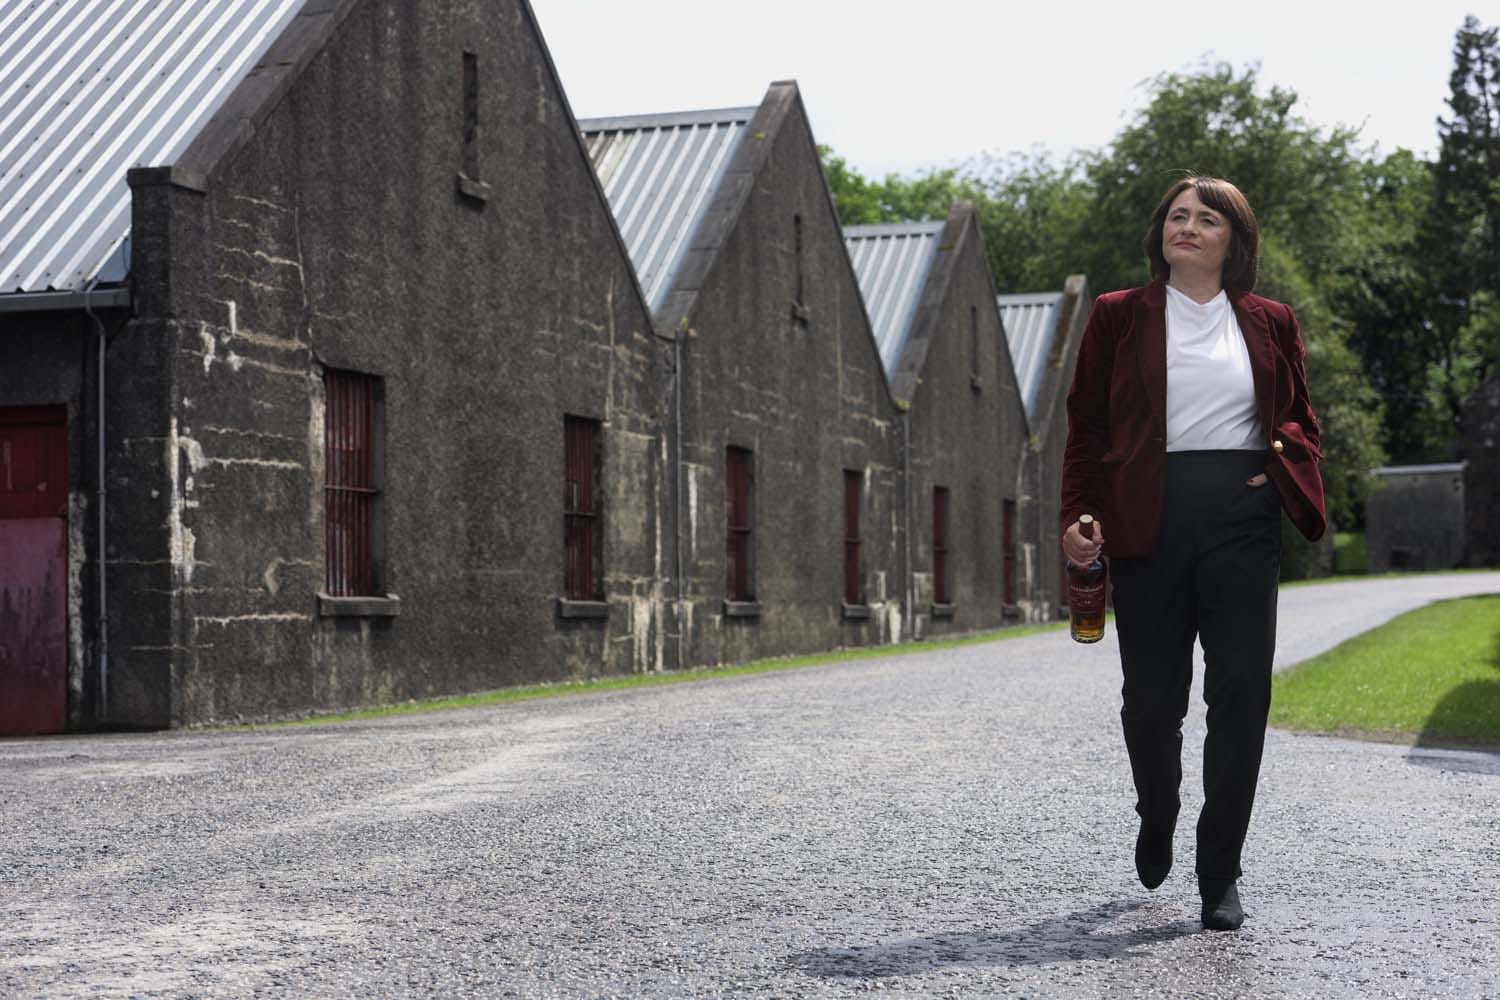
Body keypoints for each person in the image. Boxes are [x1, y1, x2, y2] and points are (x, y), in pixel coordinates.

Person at [1060, 176, 1326, 931]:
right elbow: (1087, 427)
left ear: (1232, 239)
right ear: (1161, 234)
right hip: (1148, 512)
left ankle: (1220, 870)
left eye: (1206, 218)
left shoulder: (1271, 320)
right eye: (1177, 215)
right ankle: (1159, 809)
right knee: (1152, 699)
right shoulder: (1117, 316)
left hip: (1242, 512)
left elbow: (1300, 420)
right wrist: (1080, 514)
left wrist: (1276, 472)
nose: (1188, 226)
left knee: (1241, 693)